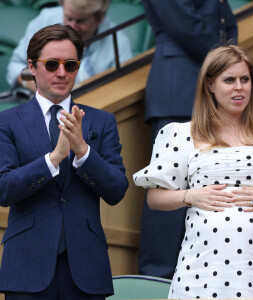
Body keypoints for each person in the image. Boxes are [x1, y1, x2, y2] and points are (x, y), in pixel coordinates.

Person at [133, 45, 253, 298]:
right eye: (229, 80)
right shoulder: (180, 134)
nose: (239, 87)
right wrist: (191, 196)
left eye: (245, 79)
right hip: (199, 272)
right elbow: (154, 199)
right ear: (210, 85)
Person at [0, 24, 128, 299]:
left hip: (86, 267)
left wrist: (82, 151)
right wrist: (54, 158)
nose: (62, 73)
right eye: (51, 64)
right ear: (32, 67)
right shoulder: (7, 121)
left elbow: (117, 190)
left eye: (70, 65)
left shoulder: (102, 121)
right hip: (26, 266)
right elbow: (4, 189)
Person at [139, 0, 238, 279]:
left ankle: (205, 276)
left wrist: (227, 61)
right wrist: (227, 60)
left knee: (212, 187)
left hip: (212, 97)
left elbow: (228, 23)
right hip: (177, 92)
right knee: (169, 190)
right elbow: (188, 27)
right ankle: (157, 280)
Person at [6, 0, 132, 92]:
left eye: (81, 21)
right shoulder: (45, 20)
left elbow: (124, 89)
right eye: (68, 18)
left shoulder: (118, 42)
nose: (72, 26)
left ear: (100, 18)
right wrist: (36, 85)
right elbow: (15, 66)